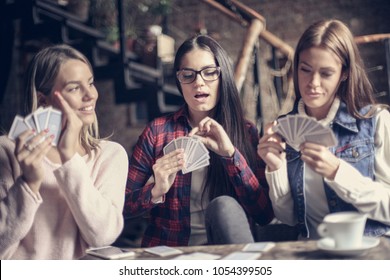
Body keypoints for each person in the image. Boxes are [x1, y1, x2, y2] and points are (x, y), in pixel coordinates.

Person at [124, 34, 274, 247]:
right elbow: (124, 207)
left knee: (224, 206)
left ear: (223, 76)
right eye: (188, 75)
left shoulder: (245, 131)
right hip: (172, 255)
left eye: (209, 72)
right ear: (179, 80)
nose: (199, 82)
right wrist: (156, 190)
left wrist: (231, 155)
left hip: (227, 253)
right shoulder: (156, 132)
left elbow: (264, 214)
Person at [258, 19, 390, 239]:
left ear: (344, 73)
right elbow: (289, 218)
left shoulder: (376, 121)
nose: (313, 83)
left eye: (326, 73)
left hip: (367, 251)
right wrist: (276, 168)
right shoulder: (283, 128)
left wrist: (338, 173)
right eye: (305, 70)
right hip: (311, 252)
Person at [0, 44, 128, 259]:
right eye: (74, 88)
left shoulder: (110, 155)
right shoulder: (6, 151)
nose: (90, 95)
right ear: (43, 100)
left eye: (90, 83)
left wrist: (70, 158)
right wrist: (29, 183)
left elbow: (103, 236)